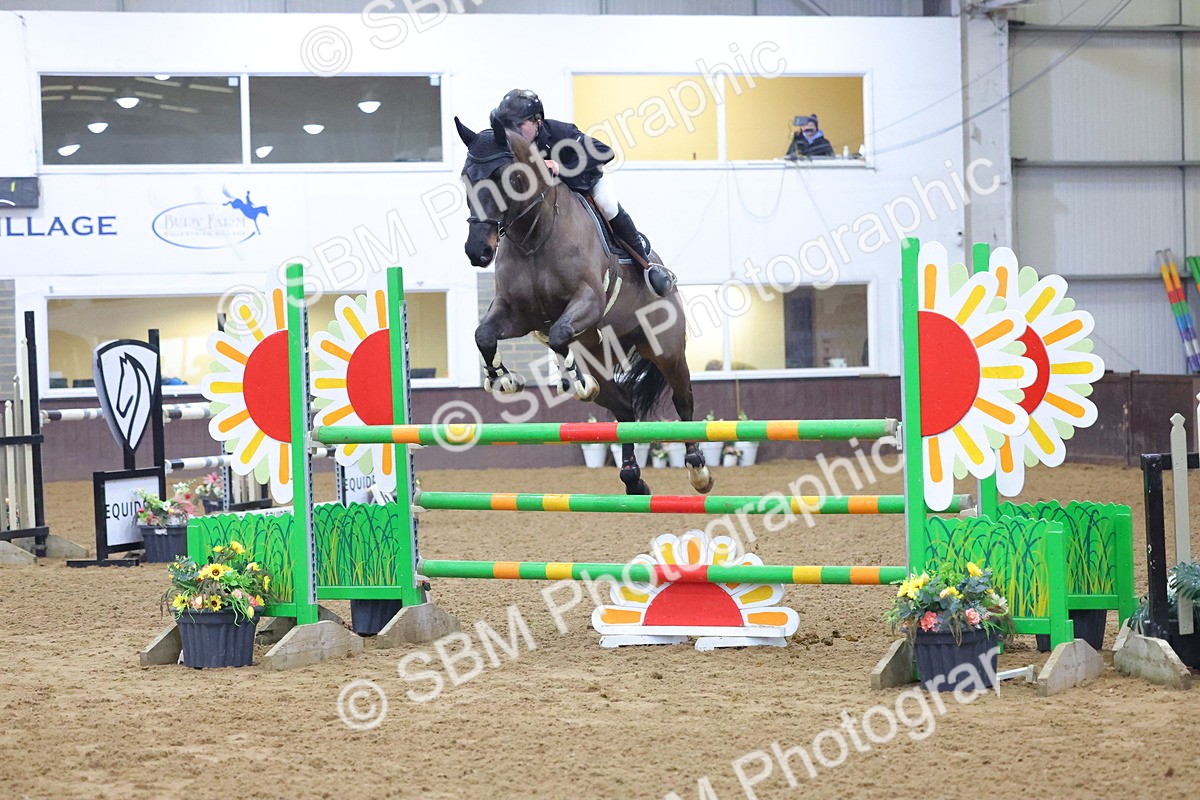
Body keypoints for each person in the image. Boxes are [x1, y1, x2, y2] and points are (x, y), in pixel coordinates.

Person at [491, 88, 676, 297]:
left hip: (584, 184)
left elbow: (605, 151)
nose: (512, 131)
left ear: (537, 121)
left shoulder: (562, 132)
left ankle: (646, 265)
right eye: (508, 125)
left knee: (608, 204)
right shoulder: (511, 147)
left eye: (518, 124)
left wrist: (561, 167)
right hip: (550, 199)